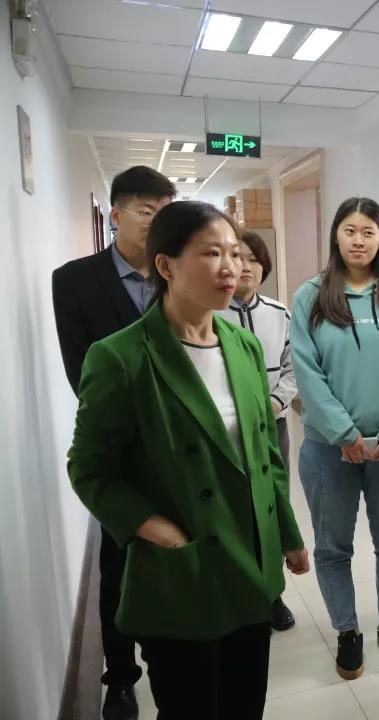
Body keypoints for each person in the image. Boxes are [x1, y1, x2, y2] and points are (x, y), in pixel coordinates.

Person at [67, 200, 309, 720]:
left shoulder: (243, 346)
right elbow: (88, 468)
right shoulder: (121, 357)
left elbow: (264, 454)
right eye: (211, 253)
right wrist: (153, 528)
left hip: (250, 562)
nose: (231, 268)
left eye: (235, 254)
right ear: (166, 265)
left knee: (245, 703)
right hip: (183, 572)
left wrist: (287, 533)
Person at [52, 165, 175, 720]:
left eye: (164, 211)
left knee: (178, 557)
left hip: (182, 447)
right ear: (116, 213)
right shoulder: (74, 280)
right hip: (121, 452)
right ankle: (121, 678)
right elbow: (81, 371)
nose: (156, 221)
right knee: (119, 563)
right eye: (146, 211)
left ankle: (174, 662)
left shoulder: (179, 271)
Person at [291, 197, 379, 679]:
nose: (359, 240)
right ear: (336, 236)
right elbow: (306, 371)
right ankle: (347, 631)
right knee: (332, 546)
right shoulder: (311, 296)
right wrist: (343, 432)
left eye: (369, 232)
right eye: (350, 230)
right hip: (329, 448)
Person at [215, 229, 298, 632]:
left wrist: (277, 403)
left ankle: (271, 593)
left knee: (271, 506)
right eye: (238, 257)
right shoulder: (211, 314)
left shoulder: (280, 313)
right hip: (228, 431)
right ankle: (236, 591)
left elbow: (293, 367)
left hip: (272, 427)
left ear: (264, 268)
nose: (245, 266)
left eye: (254, 259)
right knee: (233, 508)